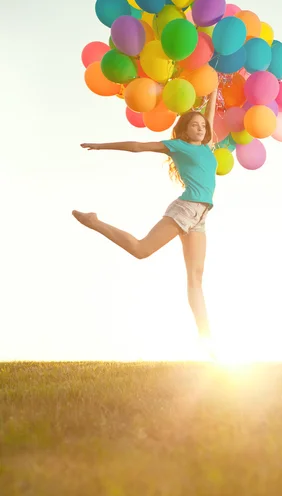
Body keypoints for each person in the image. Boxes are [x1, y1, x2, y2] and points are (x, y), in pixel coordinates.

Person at [72, 89, 218, 357]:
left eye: (202, 125)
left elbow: (210, 113)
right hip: (186, 209)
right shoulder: (179, 146)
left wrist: (215, 86)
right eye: (194, 125)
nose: (200, 127)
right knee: (141, 250)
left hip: (201, 215)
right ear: (185, 131)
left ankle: (206, 341)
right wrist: (103, 145)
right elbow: (139, 147)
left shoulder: (207, 147)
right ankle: (95, 222)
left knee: (196, 278)